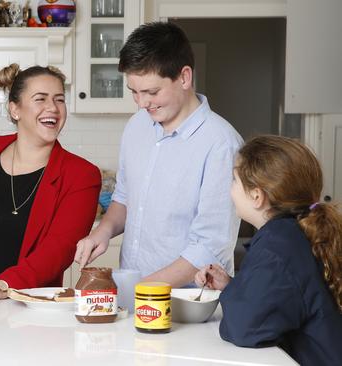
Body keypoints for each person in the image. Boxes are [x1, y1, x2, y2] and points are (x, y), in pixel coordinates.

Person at [74, 22, 243, 287]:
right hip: (134, 298)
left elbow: (209, 246)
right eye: (134, 92)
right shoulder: (137, 126)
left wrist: (137, 290)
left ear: (184, 77)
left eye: (151, 92)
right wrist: (102, 232)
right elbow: (124, 198)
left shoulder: (222, 144)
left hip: (187, 305)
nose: (142, 103)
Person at [0, 64, 101, 299]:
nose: (53, 108)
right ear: (15, 109)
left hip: (22, 305)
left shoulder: (81, 175)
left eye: (59, 99)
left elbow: (58, 251)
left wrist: (1, 286)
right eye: (40, 99)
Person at [194, 135, 342, 366]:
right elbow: (290, 297)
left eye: (234, 180)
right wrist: (233, 286)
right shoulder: (295, 231)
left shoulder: (278, 245)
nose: (230, 189)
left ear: (256, 196)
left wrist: (233, 295)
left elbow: (245, 327)